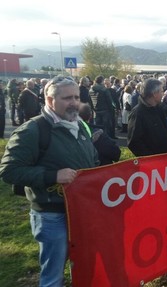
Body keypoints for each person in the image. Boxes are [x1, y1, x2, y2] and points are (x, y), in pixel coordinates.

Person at [0, 76, 98, 287]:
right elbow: (9, 171)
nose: (73, 102)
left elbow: (92, 157)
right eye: (66, 98)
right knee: (53, 276)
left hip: (82, 211)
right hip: (52, 214)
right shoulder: (31, 131)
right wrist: (52, 176)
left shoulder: (79, 125)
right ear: (49, 99)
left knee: (85, 266)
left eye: (76, 97)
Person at [127, 78, 167, 156]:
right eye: (162, 91)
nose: (163, 94)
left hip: (165, 159)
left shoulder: (159, 109)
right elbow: (134, 142)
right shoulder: (137, 113)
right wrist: (151, 158)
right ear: (154, 94)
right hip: (152, 163)